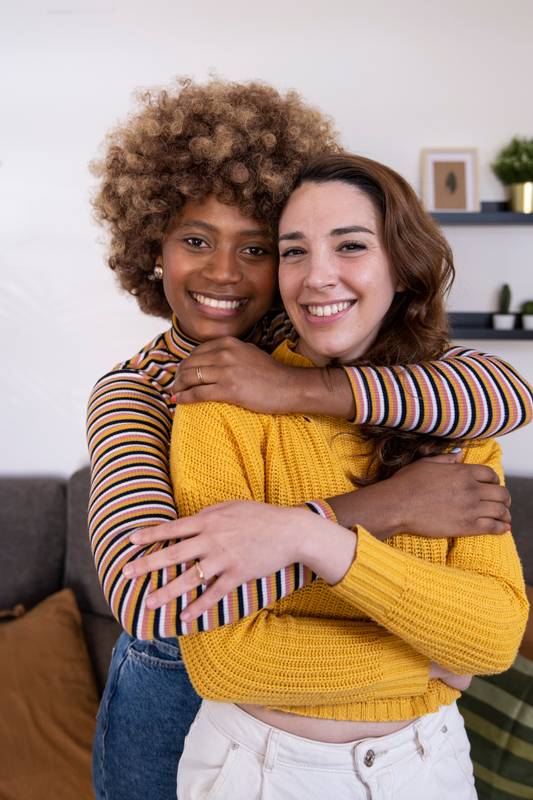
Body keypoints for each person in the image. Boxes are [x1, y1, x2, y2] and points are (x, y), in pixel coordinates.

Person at [88, 79, 532, 800]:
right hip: (174, 693)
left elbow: (505, 394)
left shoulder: (326, 343)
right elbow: (153, 601)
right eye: (194, 241)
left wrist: (296, 389)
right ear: (152, 250)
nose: (224, 272)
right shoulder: (139, 391)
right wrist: (374, 511)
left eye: (259, 247)